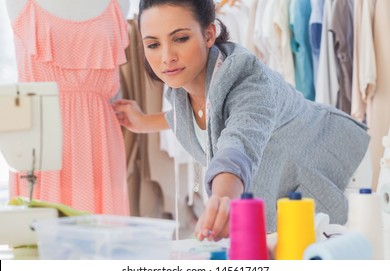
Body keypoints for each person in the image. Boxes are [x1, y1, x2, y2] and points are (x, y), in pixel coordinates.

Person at [112, 0, 370, 240]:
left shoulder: (249, 80)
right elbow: (201, 118)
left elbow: (239, 140)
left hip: (340, 169)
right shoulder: (183, 85)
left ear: (208, 34)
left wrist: (224, 198)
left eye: (180, 38)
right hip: (284, 192)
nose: (167, 56)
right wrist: (144, 122)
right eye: (153, 44)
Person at [6, 0, 131, 215]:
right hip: (40, 136)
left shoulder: (118, 4)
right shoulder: (21, 4)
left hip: (97, 138)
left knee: (99, 235)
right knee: (41, 232)